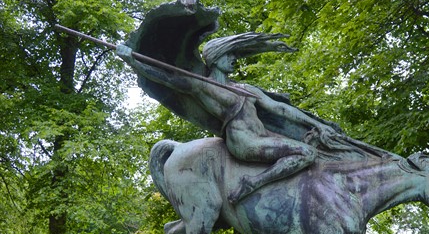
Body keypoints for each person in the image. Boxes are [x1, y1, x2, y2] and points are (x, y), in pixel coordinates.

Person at [117, 33, 341, 203]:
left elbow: (279, 109)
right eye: (228, 56)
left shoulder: (244, 88)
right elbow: (167, 79)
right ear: (216, 59)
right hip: (244, 142)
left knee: (310, 149)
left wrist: (317, 124)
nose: (233, 59)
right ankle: (252, 183)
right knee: (307, 153)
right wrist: (133, 62)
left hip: (263, 136)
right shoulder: (201, 86)